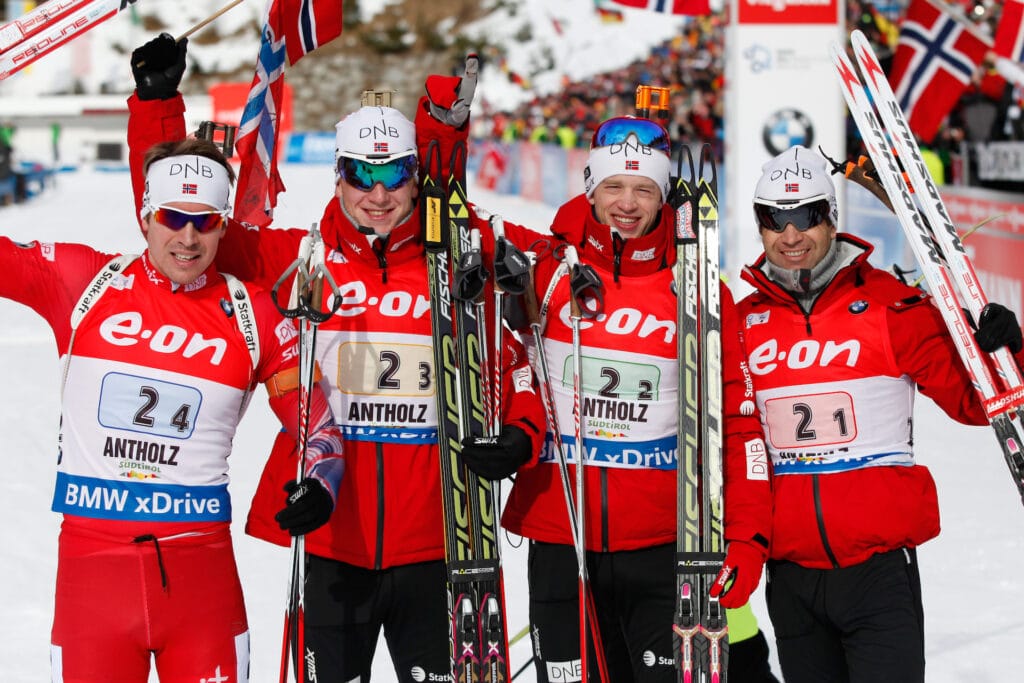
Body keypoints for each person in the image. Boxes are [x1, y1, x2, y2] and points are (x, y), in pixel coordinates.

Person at [127, 34, 547, 683]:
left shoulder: (461, 264)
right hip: (328, 542)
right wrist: (157, 110)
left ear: (417, 177)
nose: (377, 194)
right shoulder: (298, 258)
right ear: (339, 174)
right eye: (361, 174)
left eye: (394, 175)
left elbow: (522, 354)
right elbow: (180, 224)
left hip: (442, 549)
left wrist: (521, 436)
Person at [0, 137, 345, 681]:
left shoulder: (252, 313)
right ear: (145, 217)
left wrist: (320, 483)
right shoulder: (84, 282)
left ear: (224, 226)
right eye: (172, 217)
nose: (188, 237)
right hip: (93, 579)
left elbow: (317, 423)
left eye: (205, 222)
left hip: (200, 583)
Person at [488, 115, 778, 682]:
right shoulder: (545, 270)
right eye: (613, 186)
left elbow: (739, 429)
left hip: (665, 544)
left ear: (663, 195)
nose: (627, 202)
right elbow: (453, 231)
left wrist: (747, 539)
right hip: (560, 536)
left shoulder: (698, 290)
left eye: (644, 188)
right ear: (589, 189)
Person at [736, 144, 1024, 682]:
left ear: (831, 217)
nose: (791, 235)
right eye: (775, 218)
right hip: (791, 572)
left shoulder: (893, 306)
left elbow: (974, 402)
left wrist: (1009, 349)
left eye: (806, 216)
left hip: (877, 571)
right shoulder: (740, 324)